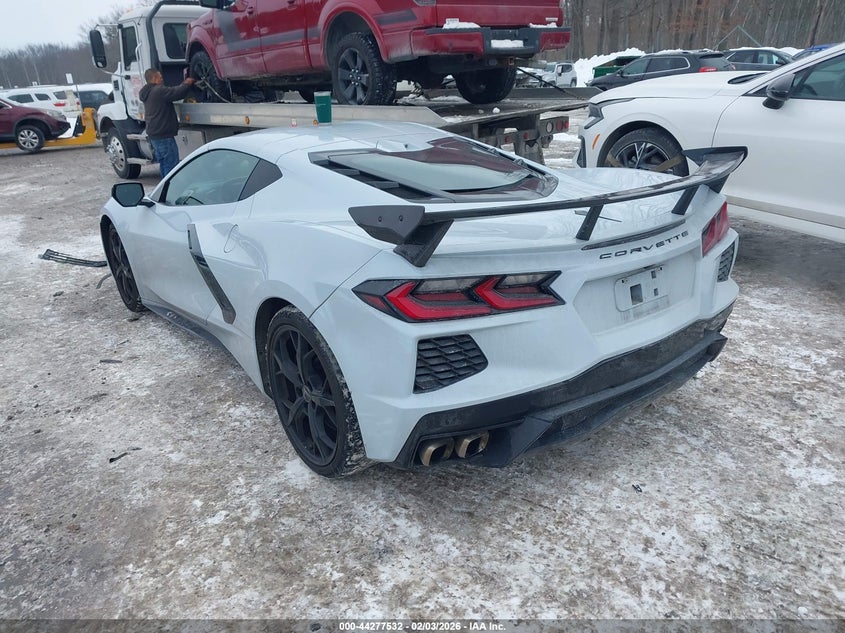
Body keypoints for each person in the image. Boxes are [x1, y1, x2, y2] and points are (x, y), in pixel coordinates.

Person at [139, 69, 196, 178]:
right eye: (160, 76)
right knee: (171, 165)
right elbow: (176, 93)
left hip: (155, 135)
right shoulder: (158, 91)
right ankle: (170, 190)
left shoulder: (147, 93)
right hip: (164, 135)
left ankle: (164, 188)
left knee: (164, 164)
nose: (162, 78)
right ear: (154, 78)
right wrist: (187, 83)